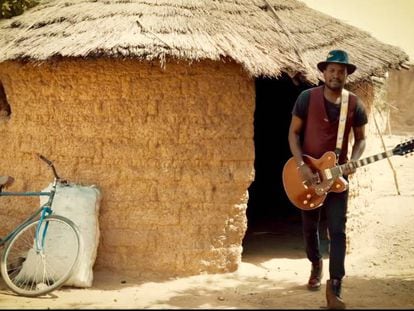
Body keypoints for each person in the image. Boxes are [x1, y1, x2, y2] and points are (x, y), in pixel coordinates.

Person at [287, 49, 368, 309]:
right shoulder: (306, 98)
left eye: (341, 71)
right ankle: (315, 264)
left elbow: (362, 138)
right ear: (323, 73)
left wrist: (353, 160)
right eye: (332, 70)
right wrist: (302, 165)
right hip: (309, 174)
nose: (336, 75)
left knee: (338, 231)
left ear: (347, 75)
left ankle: (335, 287)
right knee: (310, 229)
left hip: (337, 178)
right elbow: (293, 134)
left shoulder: (354, 104)